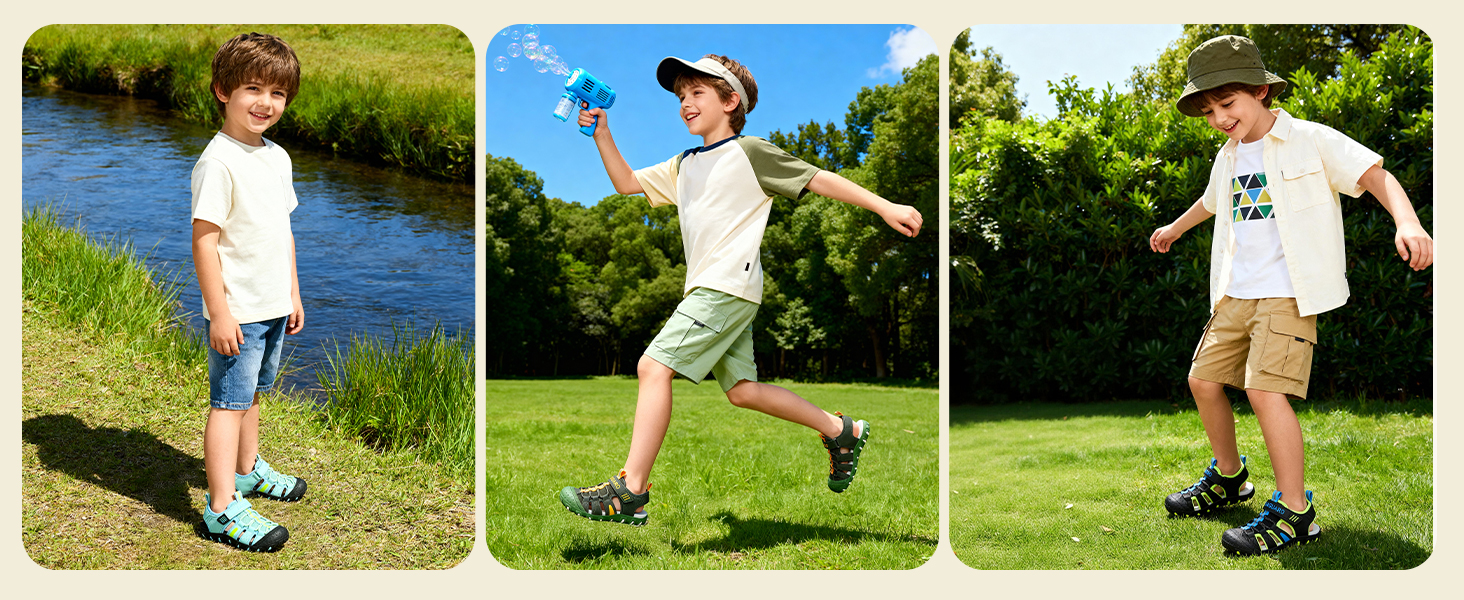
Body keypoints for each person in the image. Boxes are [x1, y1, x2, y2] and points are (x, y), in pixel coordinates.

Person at [558, 54, 923, 525]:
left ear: (731, 100)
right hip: (713, 291)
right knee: (743, 391)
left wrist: (883, 205)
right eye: (681, 96)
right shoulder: (683, 164)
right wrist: (602, 132)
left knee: (653, 367)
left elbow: (818, 177)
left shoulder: (750, 152)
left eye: (697, 93)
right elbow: (627, 183)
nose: (686, 103)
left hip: (725, 287)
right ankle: (840, 429)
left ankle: (631, 490)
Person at [1148, 35, 1433, 555]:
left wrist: (1409, 223)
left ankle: (1295, 511)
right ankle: (1230, 479)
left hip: (1288, 293)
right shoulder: (1228, 155)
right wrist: (1175, 227)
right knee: (1203, 381)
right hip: (1236, 291)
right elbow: (1212, 202)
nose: (1218, 118)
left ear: (1260, 91)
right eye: (1208, 109)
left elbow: (1376, 177)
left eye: (1226, 104)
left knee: (1263, 391)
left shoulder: (1311, 139)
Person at [191, 32, 309, 552]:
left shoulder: (276, 157)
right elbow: (204, 240)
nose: (265, 103)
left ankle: (246, 470)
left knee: (254, 393)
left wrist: (293, 293)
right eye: (253, 89)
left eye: (277, 94)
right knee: (228, 403)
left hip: (273, 304)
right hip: (237, 309)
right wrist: (219, 314)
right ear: (223, 90)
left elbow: (282, 229)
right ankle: (220, 508)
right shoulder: (218, 161)